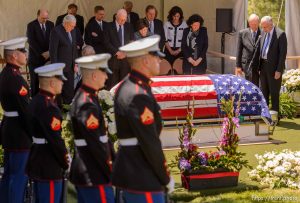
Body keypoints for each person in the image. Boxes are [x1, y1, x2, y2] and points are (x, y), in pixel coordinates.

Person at [112, 35, 174, 202]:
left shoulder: (128, 86)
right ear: (145, 61)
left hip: (133, 171)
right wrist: (165, 177)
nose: (160, 61)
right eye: (156, 57)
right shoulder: (138, 94)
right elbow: (149, 141)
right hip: (142, 174)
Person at [70, 54, 114, 203]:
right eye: (104, 73)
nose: (107, 77)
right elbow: (95, 143)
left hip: (90, 171)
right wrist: (110, 169)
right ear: (94, 75)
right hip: (94, 173)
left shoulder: (87, 97)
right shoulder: (86, 103)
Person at [26, 63, 69, 203]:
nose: (62, 82)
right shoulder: (50, 107)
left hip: (38, 159)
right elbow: (56, 141)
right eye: (60, 79)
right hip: (49, 164)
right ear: (51, 82)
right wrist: (65, 160)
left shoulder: (36, 101)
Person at [0, 37, 32, 203]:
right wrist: (34, 134)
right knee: (18, 177)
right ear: (13, 56)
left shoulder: (7, 73)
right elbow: (25, 111)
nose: (25, 54)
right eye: (22, 51)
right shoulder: (15, 79)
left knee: (9, 175)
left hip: (10, 130)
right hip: (19, 132)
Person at [259, 16, 287, 114]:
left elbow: (282, 54)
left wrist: (279, 70)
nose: (263, 29)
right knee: (264, 92)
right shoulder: (263, 33)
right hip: (263, 67)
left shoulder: (280, 34)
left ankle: (275, 118)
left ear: (271, 24)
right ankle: (265, 116)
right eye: (262, 27)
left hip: (274, 69)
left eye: (265, 27)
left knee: (274, 93)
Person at [49, 14, 78, 106]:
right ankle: (58, 110)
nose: (73, 28)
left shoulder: (72, 31)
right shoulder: (56, 31)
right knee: (59, 90)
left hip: (70, 66)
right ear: (65, 23)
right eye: (71, 26)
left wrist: (75, 63)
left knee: (69, 90)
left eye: (74, 26)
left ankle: (68, 108)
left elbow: (74, 48)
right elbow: (53, 51)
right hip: (59, 67)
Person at [104, 8, 134, 90]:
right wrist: (117, 52)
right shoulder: (108, 26)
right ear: (116, 17)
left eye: (124, 20)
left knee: (124, 85)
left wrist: (125, 53)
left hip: (125, 61)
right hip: (113, 60)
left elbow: (132, 42)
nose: (122, 22)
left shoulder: (129, 26)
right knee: (112, 85)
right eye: (121, 20)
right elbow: (106, 43)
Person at [27, 9, 54, 96]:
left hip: (48, 58)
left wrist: (49, 52)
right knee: (35, 81)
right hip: (35, 58)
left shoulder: (51, 24)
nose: (45, 20)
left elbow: (54, 39)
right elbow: (31, 41)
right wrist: (42, 53)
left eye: (46, 18)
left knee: (47, 81)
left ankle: (46, 101)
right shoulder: (31, 25)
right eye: (43, 18)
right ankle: (34, 101)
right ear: (38, 16)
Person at [235, 14, 261, 87]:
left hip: (258, 66)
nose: (254, 26)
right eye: (252, 24)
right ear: (249, 23)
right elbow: (239, 50)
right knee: (246, 86)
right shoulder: (242, 33)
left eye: (255, 24)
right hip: (245, 65)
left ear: (258, 23)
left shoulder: (263, 33)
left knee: (256, 86)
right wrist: (238, 66)